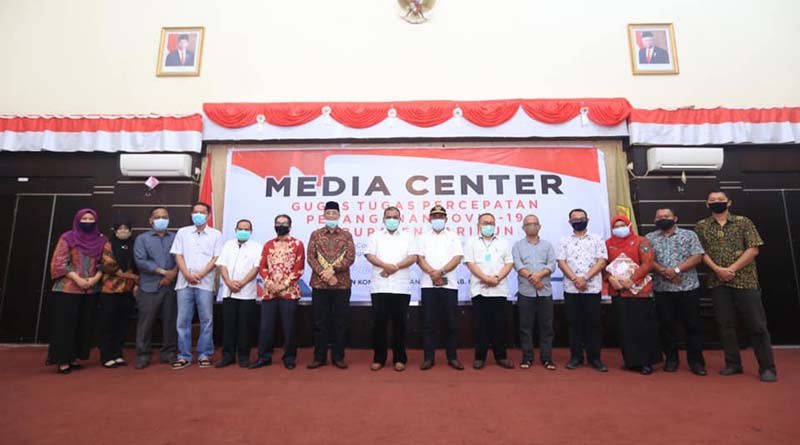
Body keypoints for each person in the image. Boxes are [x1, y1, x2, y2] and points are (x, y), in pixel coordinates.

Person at [695, 190, 777, 382]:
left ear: (729, 203)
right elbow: (701, 252)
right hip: (717, 281)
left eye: (720, 200)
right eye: (713, 200)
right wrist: (718, 270)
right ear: (707, 204)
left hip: (745, 280)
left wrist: (731, 269)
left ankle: (767, 367)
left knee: (757, 325)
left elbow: (753, 249)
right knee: (726, 325)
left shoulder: (743, 222)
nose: (717, 202)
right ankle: (733, 363)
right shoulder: (701, 226)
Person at [645, 208, 707, 375]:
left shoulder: (689, 235)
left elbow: (697, 256)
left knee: (692, 325)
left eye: (667, 216)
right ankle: (671, 359)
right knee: (666, 325)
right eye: (659, 217)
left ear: (675, 218)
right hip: (662, 288)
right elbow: (647, 260)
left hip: (687, 287)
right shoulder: (649, 238)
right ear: (654, 220)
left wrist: (676, 271)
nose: (663, 219)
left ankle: (696, 362)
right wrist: (665, 272)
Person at [48, 209, 105, 374]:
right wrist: (78, 279)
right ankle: (62, 361)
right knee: (65, 326)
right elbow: (59, 262)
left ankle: (73, 358)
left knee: (83, 325)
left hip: (91, 289)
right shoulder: (68, 237)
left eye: (91, 218)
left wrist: (94, 279)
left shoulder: (101, 240)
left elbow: (105, 262)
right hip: (68, 289)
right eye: (84, 218)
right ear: (77, 220)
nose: (88, 221)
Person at [604, 215, 662, 375]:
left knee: (642, 326)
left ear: (629, 225)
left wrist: (633, 279)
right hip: (619, 292)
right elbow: (604, 265)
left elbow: (647, 262)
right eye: (616, 226)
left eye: (622, 224)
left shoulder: (640, 241)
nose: (619, 228)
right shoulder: (608, 244)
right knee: (625, 328)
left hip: (639, 292)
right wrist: (610, 278)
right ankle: (631, 361)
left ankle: (646, 362)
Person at [170, 202, 222, 370]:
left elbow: (216, 258)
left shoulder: (216, 234)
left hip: (205, 283)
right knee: (182, 321)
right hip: (184, 282)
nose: (198, 215)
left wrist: (201, 274)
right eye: (195, 212)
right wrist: (186, 273)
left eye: (202, 212)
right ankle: (184, 355)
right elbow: (178, 254)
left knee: (206, 320)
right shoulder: (183, 232)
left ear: (208, 216)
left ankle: (204, 354)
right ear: (191, 214)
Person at [365, 206, 418, 372]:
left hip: (401, 288)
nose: (392, 220)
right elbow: (369, 255)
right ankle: (379, 358)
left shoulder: (408, 237)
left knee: (399, 325)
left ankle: (399, 358)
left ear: (400, 219)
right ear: (383, 219)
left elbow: (413, 257)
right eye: (389, 217)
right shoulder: (375, 236)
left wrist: (395, 266)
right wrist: (385, 265)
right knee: (378, 325)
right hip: (380, 286)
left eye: (395, 217)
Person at [557, 208, 609, 372]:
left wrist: (585, 278)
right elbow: (561, 262)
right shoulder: (565, 241)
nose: (578, 221)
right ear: (570, 222)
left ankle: (595, 358)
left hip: (592, 288)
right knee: (574, 324)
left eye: (581, 218)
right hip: (571, 289)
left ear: (587, 219)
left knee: (593, 324)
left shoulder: (597, 239)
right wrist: (575, 279)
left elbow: (602, 261)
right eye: (575, 219)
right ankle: (576, 357)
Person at [251, 214, 305, 370]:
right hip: (269, 292)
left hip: (290, 292)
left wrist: (283, 285)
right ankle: (264, 357)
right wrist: (269, 284)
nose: (280, 225)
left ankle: (289, 357)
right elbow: (262, 266)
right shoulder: (268, 244)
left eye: (284, 223)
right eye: (278, 223)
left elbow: (299, 268)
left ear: (290, 226)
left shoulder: (297, 244)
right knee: (266, 326)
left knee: (289, 327)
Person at [306, 201, 356, 369]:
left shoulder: (347, 236)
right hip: (320, 286)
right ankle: (319, 357)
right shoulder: (315, 234)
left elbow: (350, 258)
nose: (331, 217)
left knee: (339, 323)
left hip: (341, 286)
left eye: (335, 214)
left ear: (339, 216)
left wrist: (333, 270)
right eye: (329, 214)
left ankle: (338, 357)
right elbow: (311, 257)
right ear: (324, 215)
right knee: (319, 324)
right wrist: (324, 274)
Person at [416, 205, 464, 371]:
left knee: (451, 323)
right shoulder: (422, 237)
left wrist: (441, 271)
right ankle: (429, 358)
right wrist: (432, 273)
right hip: (428, 284)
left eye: (441, 216)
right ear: (430, 219)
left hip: (449, 285)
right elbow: (419, 258)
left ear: (446, 219)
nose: (438, 219)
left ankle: (453, 357)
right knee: (428, 323)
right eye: (434, 216)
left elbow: (457, 258)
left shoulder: (453, 236)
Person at [464, 212, 515, 370]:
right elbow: (470, 263)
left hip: (499, 289)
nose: (488, 225)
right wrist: (485, 278)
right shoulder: (471, 242)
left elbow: (509, 263)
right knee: (481, 326)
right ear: (478, 226)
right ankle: (480, 357)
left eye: (491, 222)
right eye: (485, 222)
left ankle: (501, 356)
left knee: (500, 325)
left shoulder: (504, 242)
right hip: (479, 289)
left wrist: (496, 278)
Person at [132, 206, 178, 369]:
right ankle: (143, 354)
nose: (161, 219)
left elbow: (182, 257)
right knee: (146, 322)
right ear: (150, 220)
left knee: (170, 321)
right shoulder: (142, 239)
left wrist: (173, 273)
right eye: (157, 217)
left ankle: (169, 353)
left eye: (164, 216)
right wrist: (163, 272)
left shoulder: (176, 237)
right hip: (150, 286)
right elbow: (141, 261)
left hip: (171, 286)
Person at [512, 214, 557, 370]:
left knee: (546, 327)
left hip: (545, 292)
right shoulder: (517, 246)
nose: (531, 226)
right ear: (523, 228)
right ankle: (527, 357)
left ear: (539, 226)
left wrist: (539, 276)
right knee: (525, 327)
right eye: (528, 224)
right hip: (526, 292)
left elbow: (552, 265)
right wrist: (533, 277)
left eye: (534, 223)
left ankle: (547, 358)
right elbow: (518, 265)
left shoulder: (548, 245)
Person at [215, 219, 262, 368]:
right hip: (229, 291)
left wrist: (241, 283)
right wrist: (228, 281)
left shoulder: (257, 247)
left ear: (251, 231)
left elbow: (256, 268)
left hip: (246, 292)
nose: (243, 231)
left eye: (246, 229)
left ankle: (243, 356)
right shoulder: (228, 245)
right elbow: (222, 264)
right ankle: (228, 356)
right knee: (228, 325)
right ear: (235, 230)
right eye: (240, 228)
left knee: (244, 326)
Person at [97, 221, 139, 369]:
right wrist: (132, 276)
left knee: (122, 323)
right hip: (110, 289)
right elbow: (108, 265)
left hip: (127, 290)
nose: (123, 231)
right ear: (114, 231)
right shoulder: (108, 245)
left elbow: (138, 264)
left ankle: (117, 354)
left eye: (126, 228)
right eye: (119, 229)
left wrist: (135, 281)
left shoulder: (135, 244)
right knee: (108, 323)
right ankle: (106, 356)